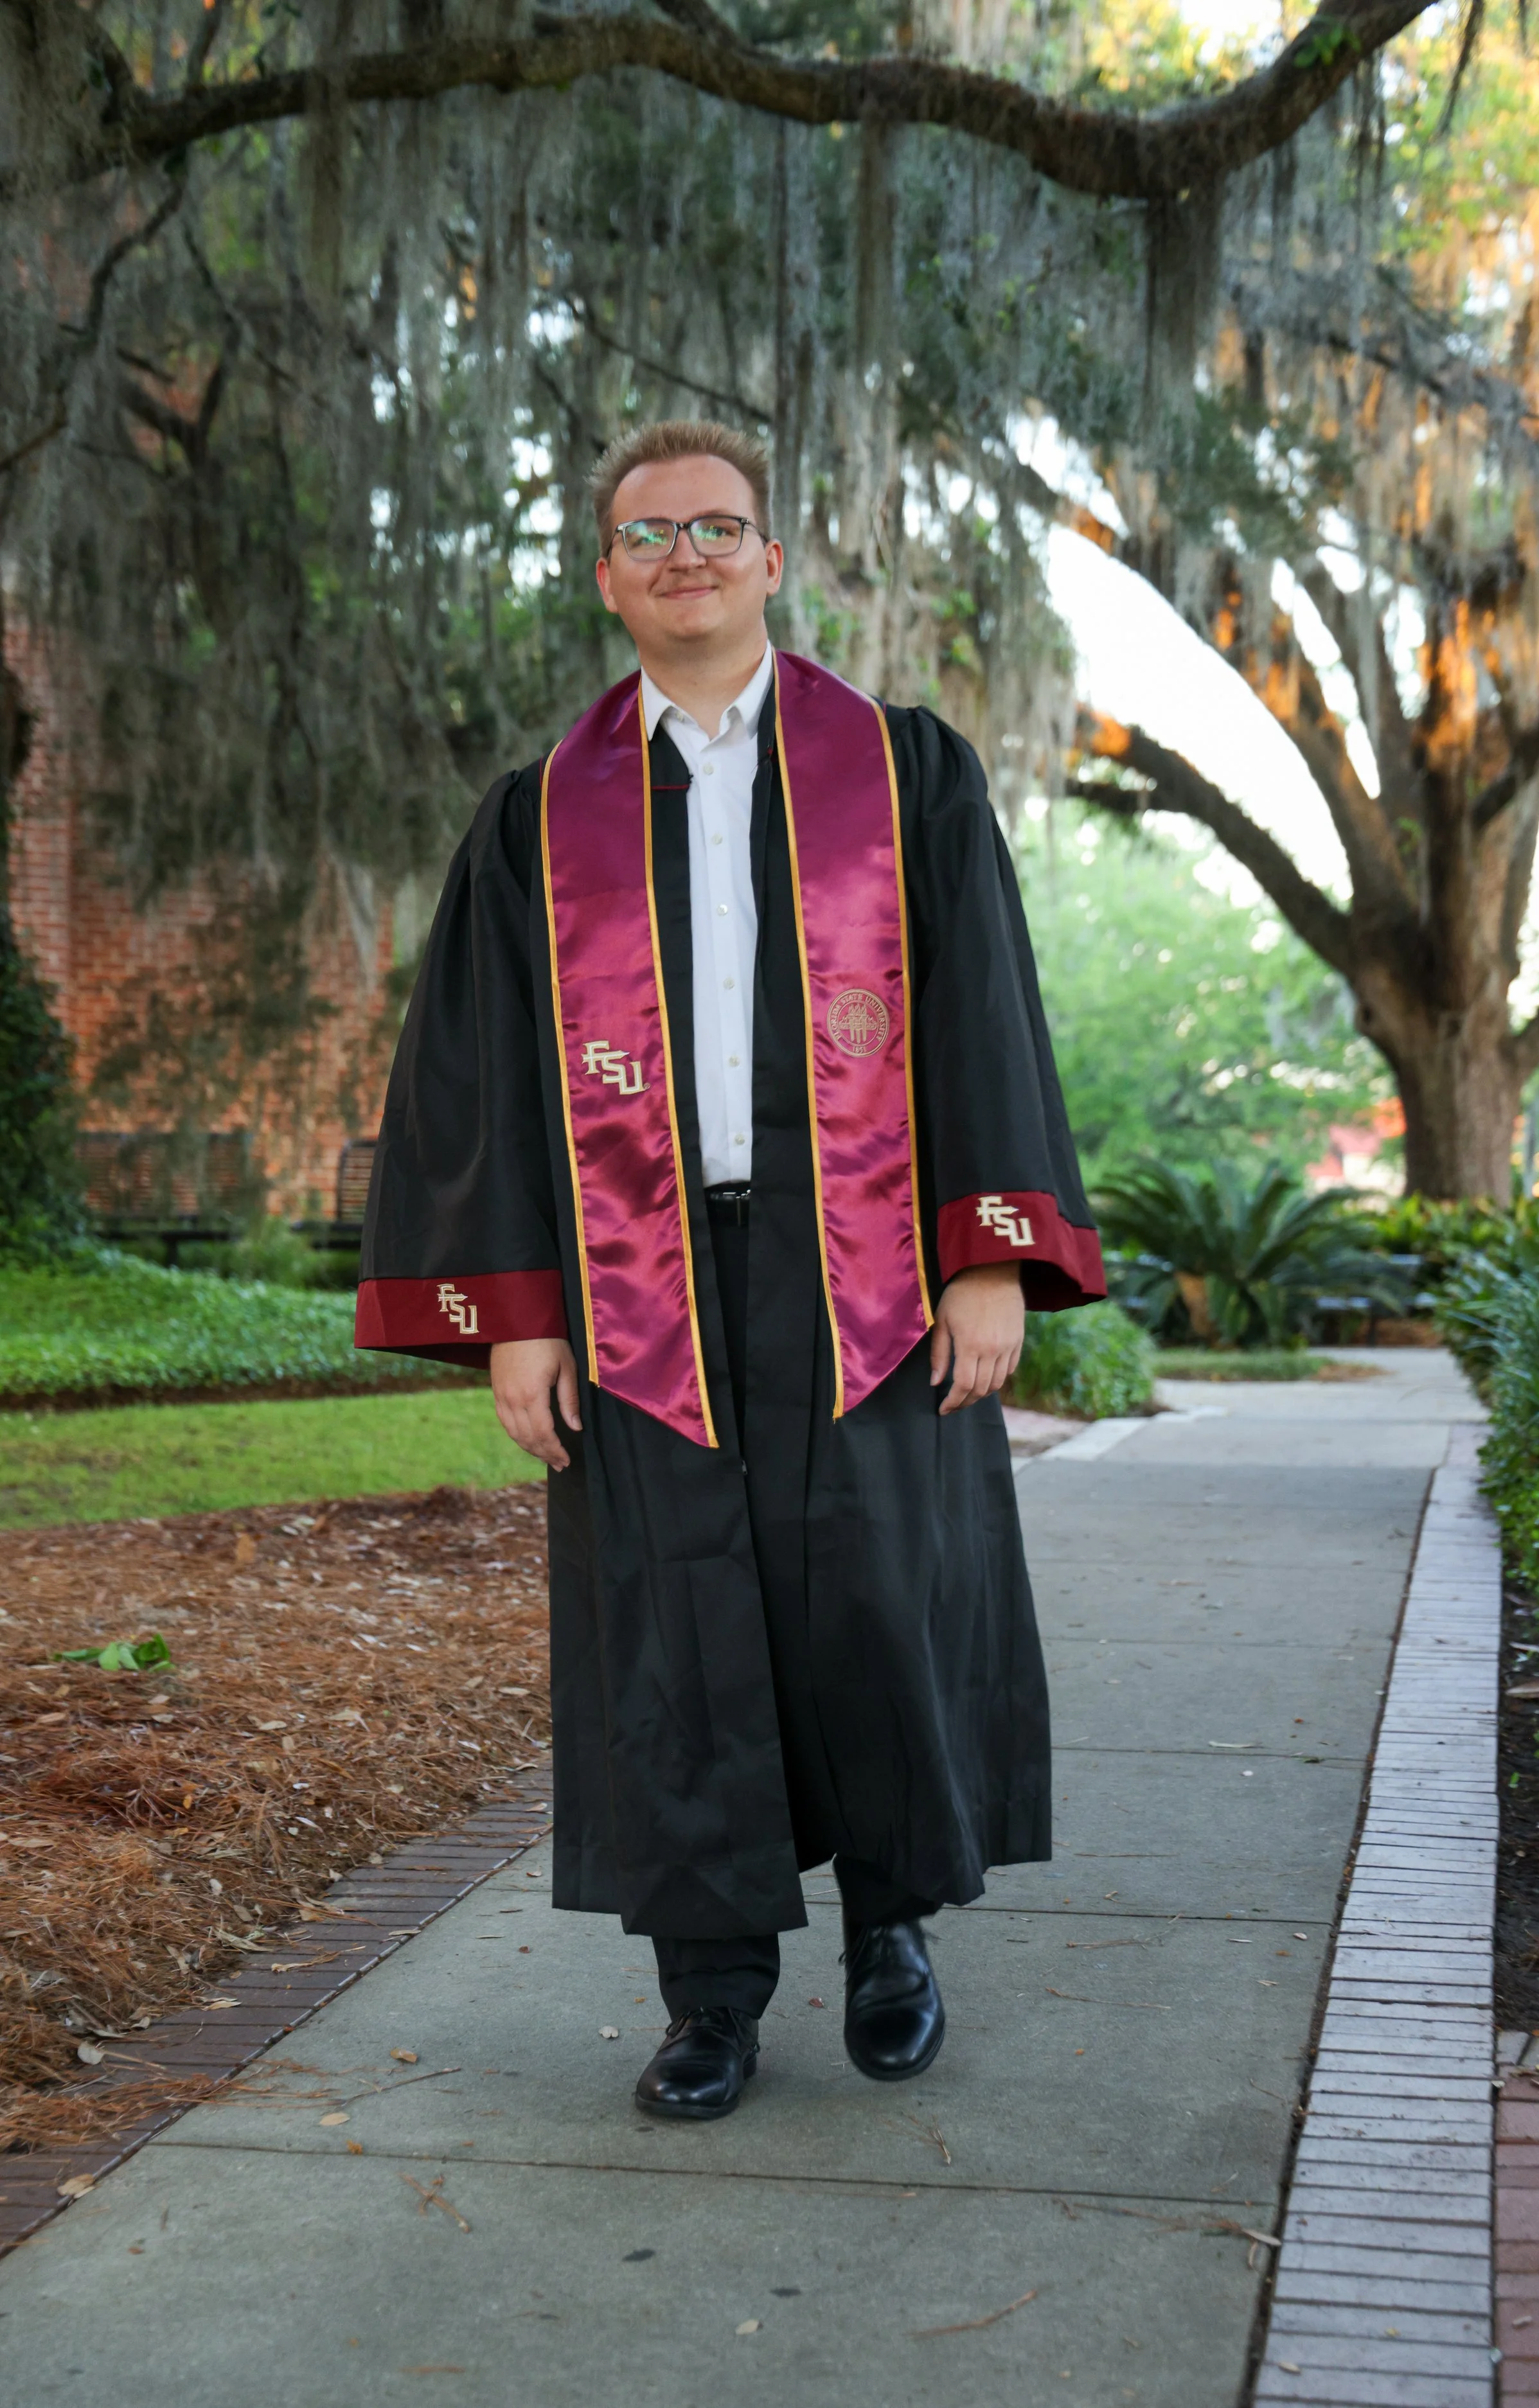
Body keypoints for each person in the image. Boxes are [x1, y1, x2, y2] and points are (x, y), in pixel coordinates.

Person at [357, 419, 1105, 2121]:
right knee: (675, 1631)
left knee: (873, 1601)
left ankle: (892, 1935)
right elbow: (477, 1083)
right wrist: (517, 1315)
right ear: (609, 574)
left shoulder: (903, 771)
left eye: (717, 526)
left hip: (868, 1266)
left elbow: (982, 1007)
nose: (684, 554)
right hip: (642, 1274)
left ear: (772, 558)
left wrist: (986, 1258)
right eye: (649, 532)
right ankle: (707, 1998)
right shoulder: (540, 817)